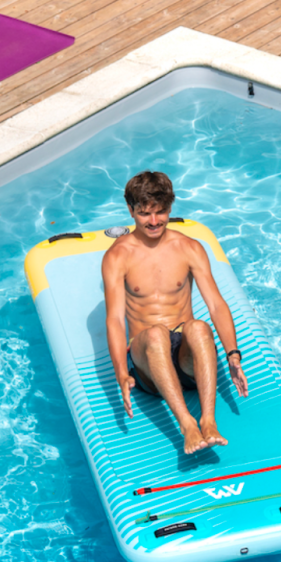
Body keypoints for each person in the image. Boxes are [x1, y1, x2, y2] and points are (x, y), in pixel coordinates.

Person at [101, 171, 249, 454]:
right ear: (130, 210)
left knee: (198, 327)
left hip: (188, 366)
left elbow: (216, 304)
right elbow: (115, 320)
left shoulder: (188, 248)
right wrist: (121, 373)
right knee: (156, 334)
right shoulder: (117, 256)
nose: (154, 221)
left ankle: (208, 421)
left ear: (170, 209)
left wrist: (233, 355)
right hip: (149, 368)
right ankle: (187, 426)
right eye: (145, 214)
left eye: (161, 212)